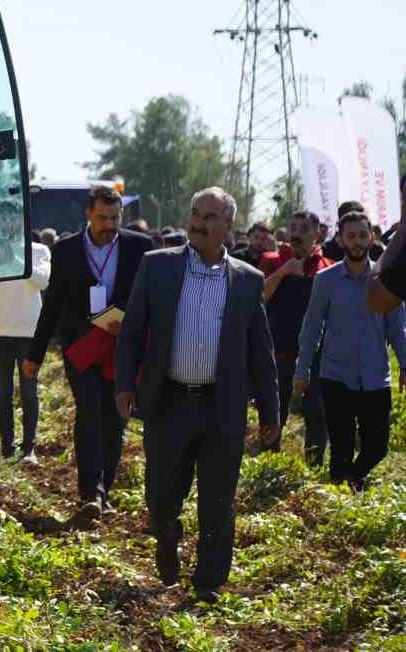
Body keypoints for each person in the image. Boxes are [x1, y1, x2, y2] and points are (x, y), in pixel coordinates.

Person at [114, 187, 279, 604]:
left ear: (228, 226)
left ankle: (208, 581)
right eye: (194, 212)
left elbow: (261, 351)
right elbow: (132, 331)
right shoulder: (158, 267)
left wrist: (270, 411)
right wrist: (124, 385)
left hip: (221, 407)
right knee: (161, 491)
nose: (198, 222)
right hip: (169, 402)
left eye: (209, 216)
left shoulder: (247, 280)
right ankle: (166, 532)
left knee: (218, 500)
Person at [31, 185, 152, 517]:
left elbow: (149, 296)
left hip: (121, 348)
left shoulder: (139, 247)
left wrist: (127, 322)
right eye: (103, 218)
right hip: (82, 348)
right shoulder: (67, 249)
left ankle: (105, 491)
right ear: (88, 214)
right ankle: (90, 495)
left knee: (115, 419)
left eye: (115, 218)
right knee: (88, 413)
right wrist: (34, 355)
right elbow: (53, 303)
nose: (110, 224)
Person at [294, 211, 406, 490]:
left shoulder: (387, 279)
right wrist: (302, 369)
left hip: (375, 378)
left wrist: (405, 364)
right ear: (340, 240)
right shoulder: (326, 280)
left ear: (371, 237)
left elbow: (397, 329)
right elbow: (311, 328)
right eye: (351, 236)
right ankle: (339, 501)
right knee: (341, 448)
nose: (357, 242)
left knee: (377, 447)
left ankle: (349, 480)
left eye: (362, 235)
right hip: (335, 376)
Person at [0, 201, 52, 463]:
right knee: (3, 392)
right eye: (3, 219)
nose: (8, 224)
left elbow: (42, 280)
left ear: (22, 221)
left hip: (29, 330)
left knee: (29, 391)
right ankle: (7, 448)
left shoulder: (38, 250)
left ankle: (29, 448)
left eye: (13, 219)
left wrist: (14, 258)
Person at [258, 211, 332, 464]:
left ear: (317, 233)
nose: (296, 234)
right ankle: (268, 460)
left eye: (303, 229)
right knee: (274, 409)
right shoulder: (272, 260)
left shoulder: (327, 266)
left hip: (316, 354)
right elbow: (259, 298)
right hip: (279, 349)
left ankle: (313, 466)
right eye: (293, 228)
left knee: (316, 413)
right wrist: (284, 272)